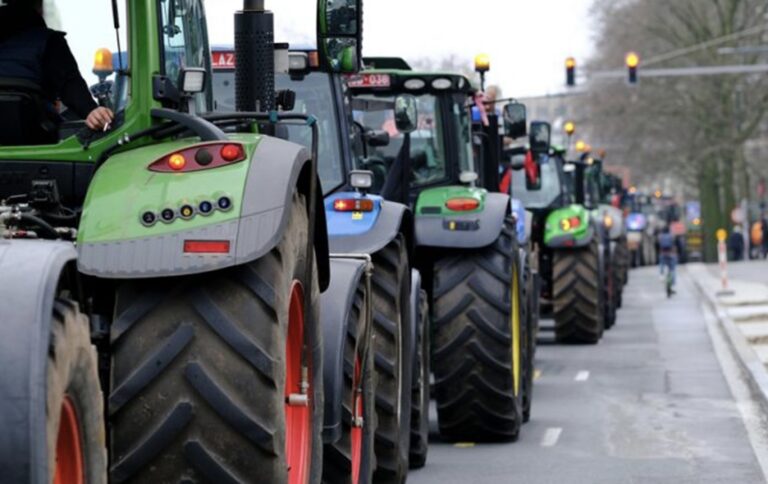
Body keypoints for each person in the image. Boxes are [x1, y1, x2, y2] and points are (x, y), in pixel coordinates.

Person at [0, 0, 113, 133]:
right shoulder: (49, 41)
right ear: (39, 9)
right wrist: (91, 110)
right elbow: (70, 85)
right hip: (38, 139)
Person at [658, 227, 677, 294]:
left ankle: (661, 274)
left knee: (662, 264)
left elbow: (657, 245)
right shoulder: (671, 236)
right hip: (671, 254)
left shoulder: (660, 236)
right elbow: (675, 244)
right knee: (673, 269)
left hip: (663, 254)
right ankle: (673, 284)